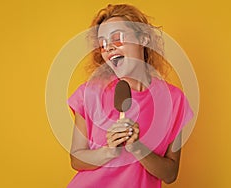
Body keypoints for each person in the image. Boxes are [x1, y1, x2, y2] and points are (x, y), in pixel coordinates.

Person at [67, 4, 194, 188]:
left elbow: (170, 174)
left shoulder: (174, 100)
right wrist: (109, 152)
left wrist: (137, 148)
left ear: (143, 39)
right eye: (102, 43)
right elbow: (76, 159)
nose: (108, 48)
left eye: (117, 38)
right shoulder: (90, 93)